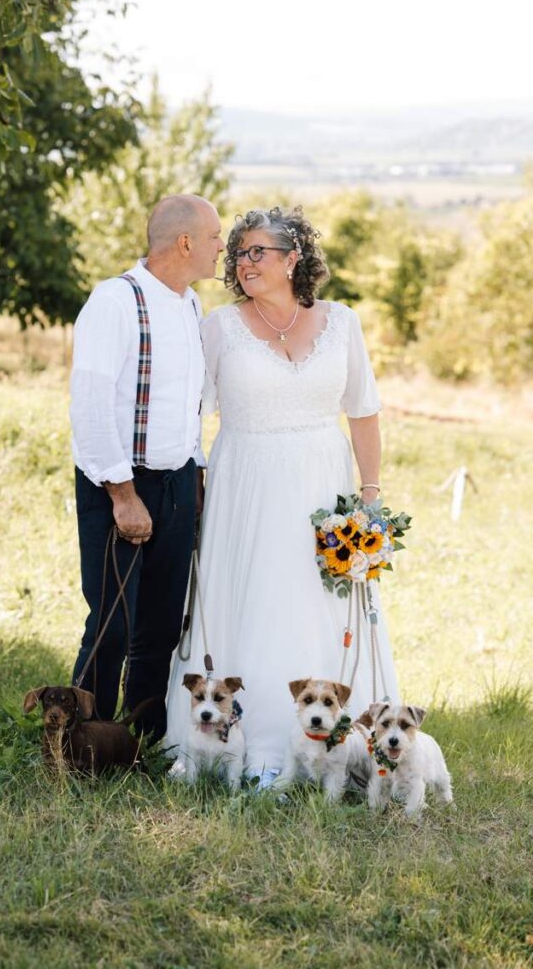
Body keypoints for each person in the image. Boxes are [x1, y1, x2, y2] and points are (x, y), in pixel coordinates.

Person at [166, 206, 399, 785]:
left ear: (294, 258)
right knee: (255, 598)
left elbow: (364, 412)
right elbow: (187, 415)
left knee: (318, 602)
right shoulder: (218, 328)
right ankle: (244, 747)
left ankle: (338, 750)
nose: (243, 263)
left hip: (326, 483)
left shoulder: (342, 322)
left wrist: (368, 499)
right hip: (245, 484)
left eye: (257, 252)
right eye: (238, 253)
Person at [70, 194, 225, 738]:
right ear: (185, 242)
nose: (220, 248)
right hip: (122, 483)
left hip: (179, 482)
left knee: (160, 626)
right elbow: (89, 403)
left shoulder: (189, 305)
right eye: (213, 237)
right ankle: (80, 738)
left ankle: (139, 741)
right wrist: (121, 493)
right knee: (114, 624)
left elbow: (187, 405)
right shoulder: (115, 300)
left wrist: (196, 476)